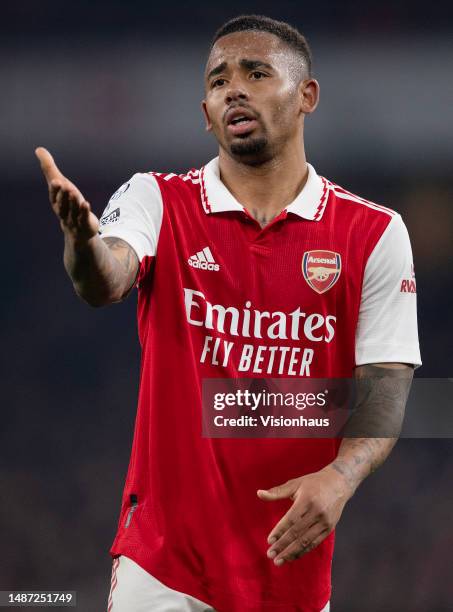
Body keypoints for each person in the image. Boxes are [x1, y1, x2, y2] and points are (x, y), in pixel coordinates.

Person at [35, 14, 421, 612]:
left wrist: (341, 478)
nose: (232, 88)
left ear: (307, 97)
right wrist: (83, 244)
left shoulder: (372, 233)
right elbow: (105, 279)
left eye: (256, 72)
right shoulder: (157, 199)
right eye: (218, 81)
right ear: (207, 114)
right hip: (161, 566)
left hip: (288, 571)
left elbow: (386, 391)